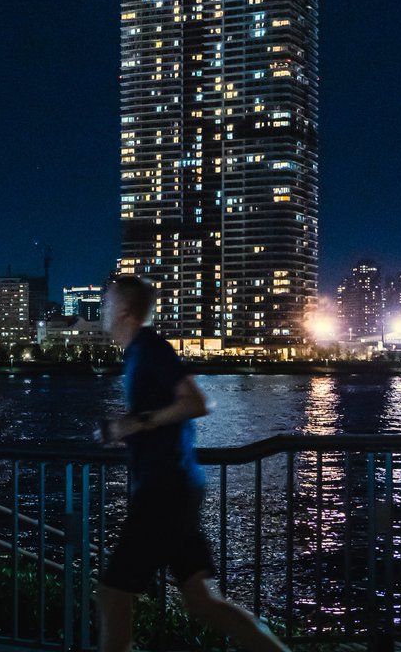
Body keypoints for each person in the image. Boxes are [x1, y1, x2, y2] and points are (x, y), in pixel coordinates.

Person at [96, 273, 288, 652]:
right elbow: (163, 416)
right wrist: (132, 433)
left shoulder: (150, 348)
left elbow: (197, 402)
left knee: (112, 594)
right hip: (177, 486)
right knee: (201, 602)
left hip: (163, 491)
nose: (102, 309)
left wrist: (134, 423)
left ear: (125, 310)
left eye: (107, 302)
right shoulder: (137, 353)